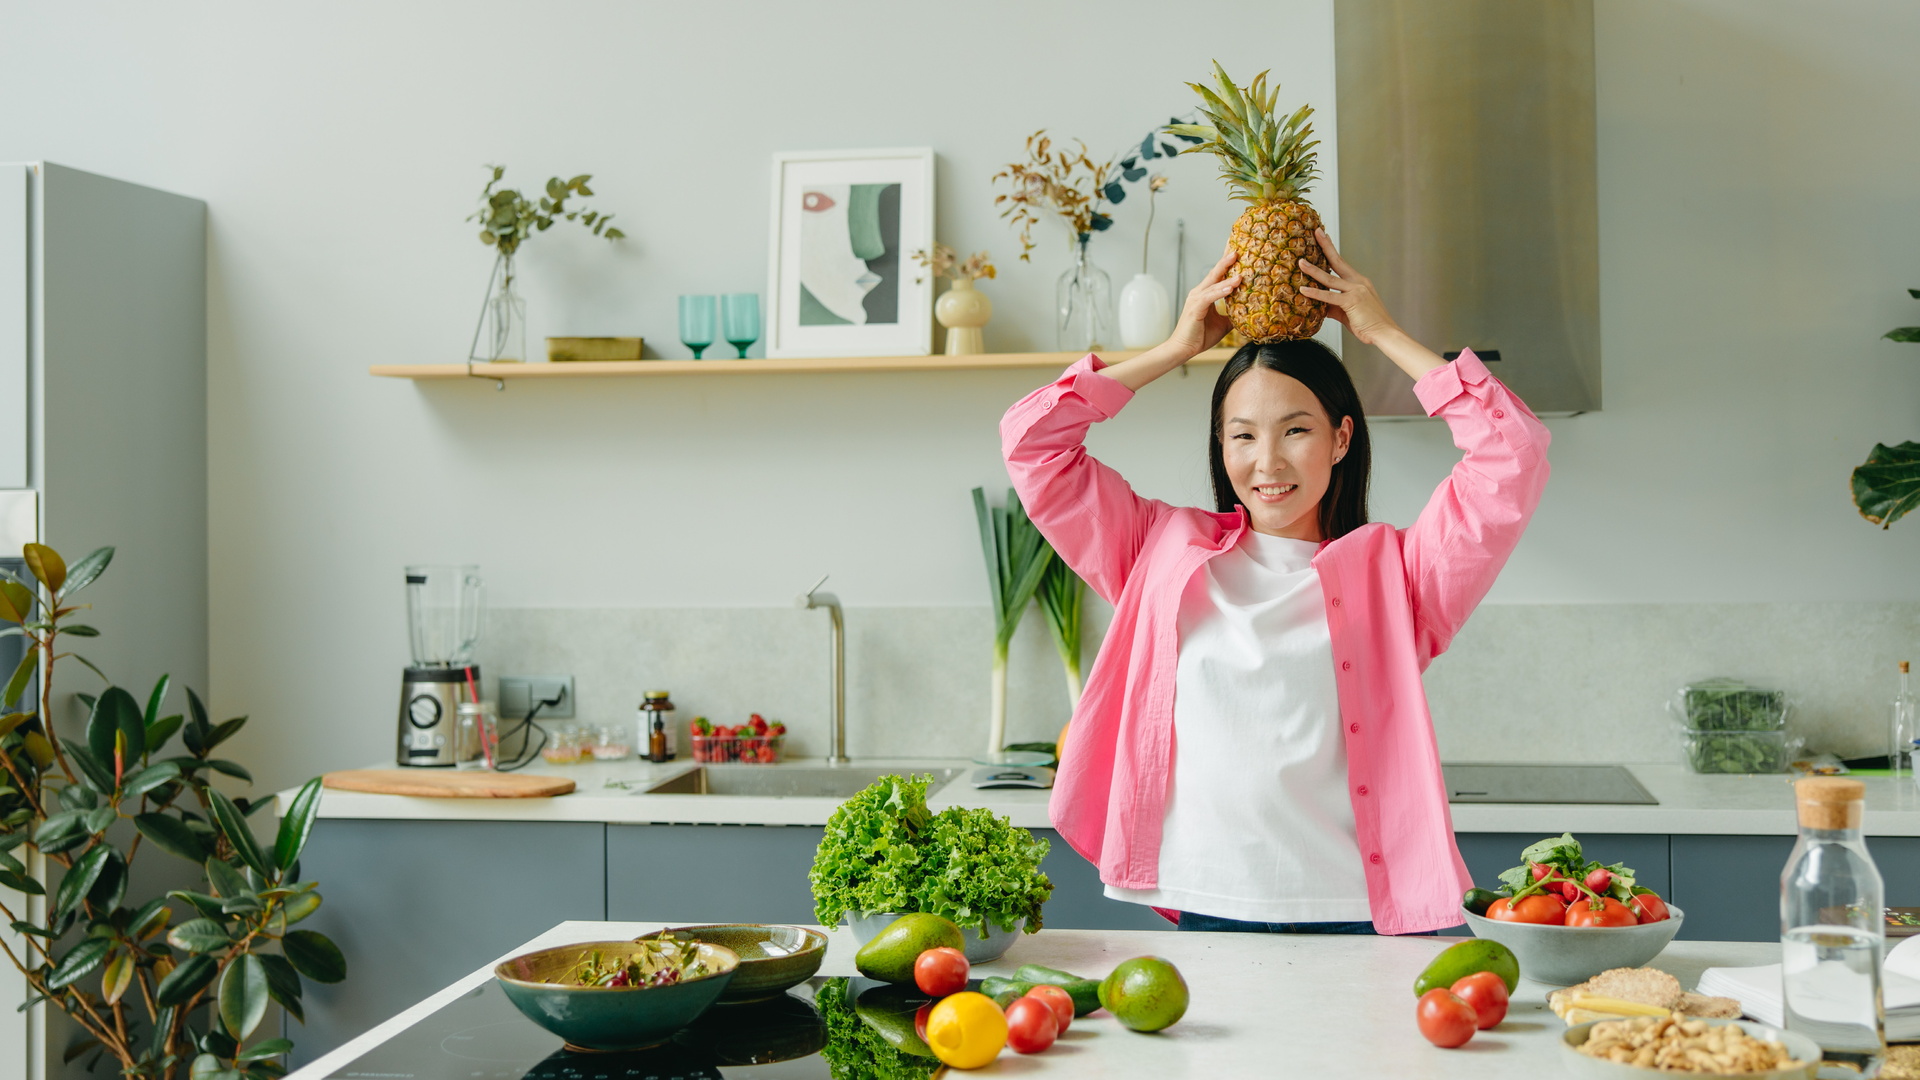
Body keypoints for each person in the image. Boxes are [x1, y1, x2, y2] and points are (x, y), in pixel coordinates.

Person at [1000, 231, 1550, 935]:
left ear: (1340, 439)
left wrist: (1381, 334)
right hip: (1204, 902)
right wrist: (1175, 350)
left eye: (1295, 431)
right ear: (1220, 443)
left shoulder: (1400, 578)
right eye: (1243, 435)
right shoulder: (1159, 553)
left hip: (1350, 912)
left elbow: (1514, 452)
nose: (1268, 462)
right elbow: (1032, 443)